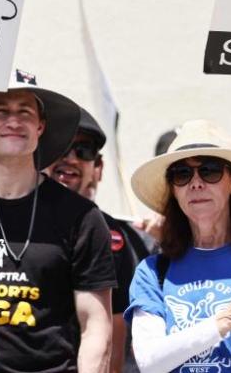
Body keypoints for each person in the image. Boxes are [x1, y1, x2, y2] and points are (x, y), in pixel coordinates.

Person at [0, 70, 117, 373]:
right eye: (0, 111)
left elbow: (96, 328)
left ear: (40, 126)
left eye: (25, 112)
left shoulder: (81, 217)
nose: (14, 121)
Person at [125, 119, 231, 372]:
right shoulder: (153, 271)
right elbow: (149, 362)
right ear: (173, 189)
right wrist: (225, 321)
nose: (196, 183)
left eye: (210, 170)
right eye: (182, 174)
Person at [47, 107, 141, 372]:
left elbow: (115, 328)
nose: (69, 158)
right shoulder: (13, 219)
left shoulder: (114, 237)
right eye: (60, 148)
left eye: (83, 151)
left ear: (98, 168)